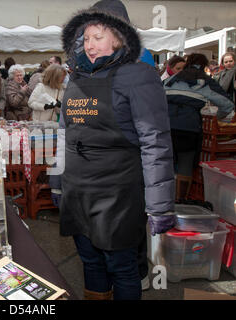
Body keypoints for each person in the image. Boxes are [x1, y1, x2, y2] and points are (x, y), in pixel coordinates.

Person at [52, 0, 175, 300]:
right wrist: (57, 183)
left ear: (119, 36)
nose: (90, 45)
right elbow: (64, 134)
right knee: (91, 262)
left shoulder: (139, 76)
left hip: (118, 198)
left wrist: (159, 205)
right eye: (86, 37)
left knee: (121, 268)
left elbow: (155, 142)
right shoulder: (77, 78)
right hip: (79, 193)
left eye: (98, 36)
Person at [164, 53, 234, 201]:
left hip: (165, 127)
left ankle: (162, 200)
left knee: (164, 163)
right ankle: (180, 201)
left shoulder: (170, 79)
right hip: (189, 127)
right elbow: (227, 104)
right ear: (204, 65)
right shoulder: (204, 80)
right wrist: (220, 118)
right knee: (185, 162)